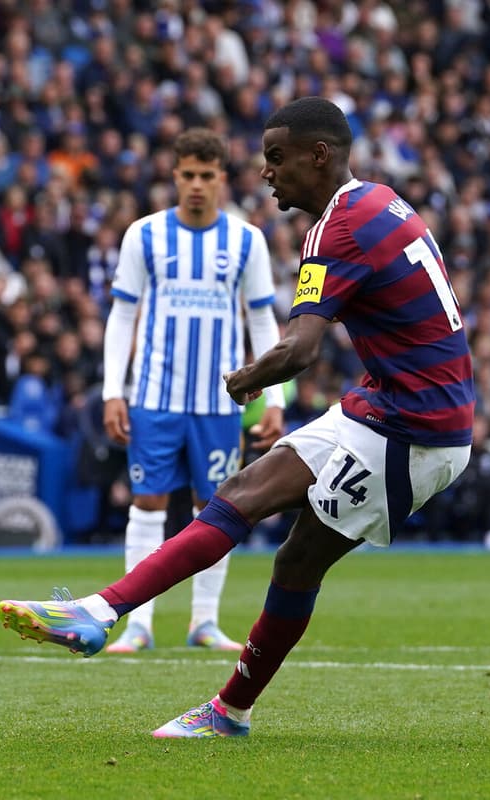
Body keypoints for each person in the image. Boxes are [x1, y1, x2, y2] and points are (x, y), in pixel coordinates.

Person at [0, 97, 475, 737]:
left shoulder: (338, 228)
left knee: (297, 560)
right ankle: (99, 611)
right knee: (241, 493)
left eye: (278, 158)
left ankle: (226, 712)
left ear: (320, 155)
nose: (267, 172)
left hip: (416, 431)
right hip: (388, 404)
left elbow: (301, 348)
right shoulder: (379, 200)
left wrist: (248, 380)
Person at [100, 127, 285, 654]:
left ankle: (203, 621)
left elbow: (261, 322)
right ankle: (137, 623)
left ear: (222, 179)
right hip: (155, 395)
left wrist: (275, 398)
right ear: (174, 176)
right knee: (148, 500)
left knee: (217, 506)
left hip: (219, 401)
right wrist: (114, 389)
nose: (197, 186)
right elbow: (123, 314)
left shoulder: (246, 239)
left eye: (208, 176)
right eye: (189, 176)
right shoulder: (144, 235)